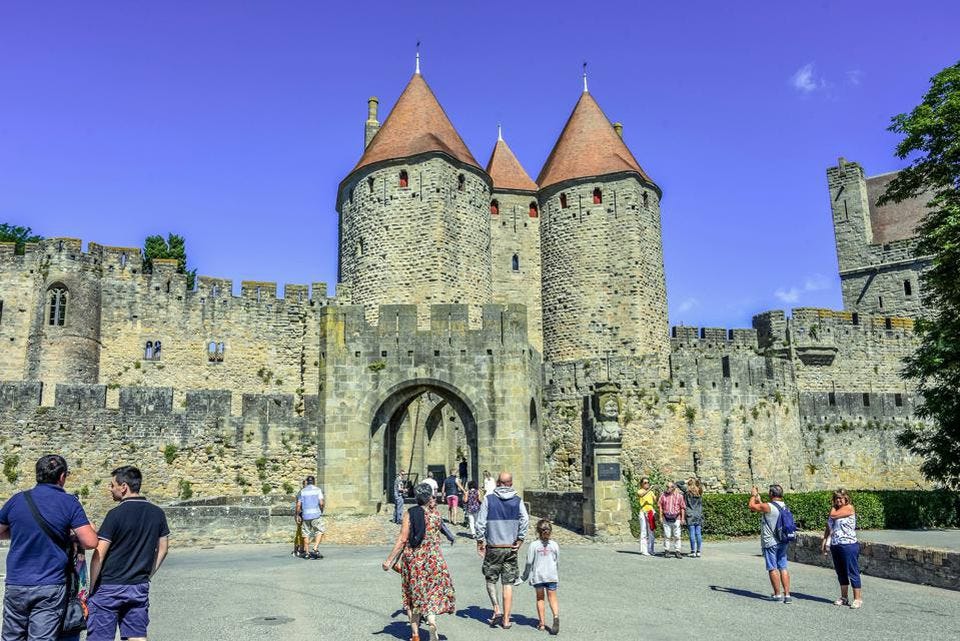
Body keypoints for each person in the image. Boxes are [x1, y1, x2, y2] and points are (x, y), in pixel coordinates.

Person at [0, 454, 98, 641]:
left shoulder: (17, 499)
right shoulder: (69, 502)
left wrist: (25, 531)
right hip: (50, 583)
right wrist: (68, 534)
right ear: (62, 476)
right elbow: (90, 542)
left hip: (17, 583)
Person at [87, 465, 169, 641]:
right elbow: (163, 548)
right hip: (138, 585)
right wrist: (148, 574)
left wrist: (92, 587)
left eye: (112, 485)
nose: (110, 489)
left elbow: (98, 555)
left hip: (109, 585)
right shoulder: (157, 513)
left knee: (100, 637)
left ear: (123, 487)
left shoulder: (115, 515)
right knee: (137, 636)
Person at [382, 483, 455, 641]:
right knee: (431, 593)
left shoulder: (411, 513)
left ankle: (415, 635)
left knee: (414, 597)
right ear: (430, 496)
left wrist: (389, 560)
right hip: (434, 559)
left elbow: (403, 539)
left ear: (416, 497)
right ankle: (431, 621)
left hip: (415, 559)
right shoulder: (435, 514)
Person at [475, 471, 529, 630]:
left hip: (493, 547)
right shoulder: (518, 501)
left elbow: (480, 523)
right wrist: (520, 538)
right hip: (510, 547)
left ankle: (496, 608)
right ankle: (506, 619)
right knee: (508, 583)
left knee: (490, 579)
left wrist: (480, 541)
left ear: (498, 483)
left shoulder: (488, 500)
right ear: (511, 484)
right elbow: (525, 520)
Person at [748, 484, 792, 603]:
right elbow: (768, 512)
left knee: (772, 567)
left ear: (771, 494)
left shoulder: (768, 506)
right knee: (783, 567)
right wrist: (759, 500)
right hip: (783, 540)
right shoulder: (784, 506)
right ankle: (787, 594)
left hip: (770, 542)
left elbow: (751, 506)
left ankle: (777, 594)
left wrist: (753, 495)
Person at [821, 489, 863, 608]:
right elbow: (828, 527)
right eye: (836, 498)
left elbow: (833, 515)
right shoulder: (834, 510)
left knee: (852, 571)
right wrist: (824, 541)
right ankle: (844, 597)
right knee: (841, 572)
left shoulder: (849, 508)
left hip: (848, 544)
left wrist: (832, 508)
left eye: (841, 498)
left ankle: (857, 599)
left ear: (846, 499)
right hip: (836, 544)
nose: (838, 500)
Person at [520, 519, 560, 634]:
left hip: (538, 576)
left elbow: (529, 562)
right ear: (550, 531)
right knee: (553, 598)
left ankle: (542, 624)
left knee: (540, 598)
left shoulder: (533, 545)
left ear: (537, 531)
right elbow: (557, 561)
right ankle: (556, 617)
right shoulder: (555, 545)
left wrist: (525, 576)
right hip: (551, 575)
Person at [296, 475, 325, 559]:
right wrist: (321, 510)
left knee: (306, 533)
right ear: (314, 482)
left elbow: (298, 505)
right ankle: (315, 548)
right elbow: (321, 503)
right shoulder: (318, 490)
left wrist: (298, 515)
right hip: (316, 515)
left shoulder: (302, 491)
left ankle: (307, 553)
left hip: (305, 516)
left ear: (307, 482)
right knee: (319, 531)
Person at [658, 481, 685, 558]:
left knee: (677, 536)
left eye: (669, 487)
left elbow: (682, 507)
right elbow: (660, 506)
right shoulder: (663, 496)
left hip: (676, 518)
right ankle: (667, 551)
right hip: (666, 518)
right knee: (667, 535)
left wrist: (682, 518)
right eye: (667, 486)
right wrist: (660, 517)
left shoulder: (679, 496)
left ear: (673, 488)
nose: (667, 488)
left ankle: (678, 551)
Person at [636, 477, 657, 556]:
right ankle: (644, 550)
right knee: (644, 531)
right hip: (643, 512)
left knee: (651, 531)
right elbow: (641, 495)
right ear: (641, 484)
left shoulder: (651, 492)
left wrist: (656, 492)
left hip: (650, 511)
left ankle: (651, 549)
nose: (647, 484)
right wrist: (649, 490)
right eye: (645, 483)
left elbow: (655, 500)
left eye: (648, 482)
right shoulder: (640, 491)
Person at [684, 477, 704, 557]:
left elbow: (678, 484)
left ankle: (693, 551)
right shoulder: (699, 491)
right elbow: (700, 484)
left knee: (692, 533)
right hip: (698, 514)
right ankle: (698, 551)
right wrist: (696, 480)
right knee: (698, 533)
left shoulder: (687, 492)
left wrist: (686, 480)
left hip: (690, 514)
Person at [292, 479, 307, 558]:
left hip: (305, 514)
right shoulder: (301, 493)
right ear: (303, 485)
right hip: (300, 514)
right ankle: (297, 549)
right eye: (306, 484)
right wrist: (297, 515)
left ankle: (301, 548)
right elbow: (297, 505)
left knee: (303, 533)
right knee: (299, 533)